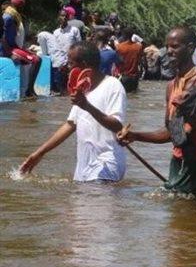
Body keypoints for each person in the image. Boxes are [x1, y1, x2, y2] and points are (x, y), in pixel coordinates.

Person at [117, 27, 196, 196]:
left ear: (190, 48)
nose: (169, 51)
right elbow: (171, 132)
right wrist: (135, 136)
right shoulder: (171, 86)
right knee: (177, 218)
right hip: (178, 160)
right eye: (168, 46)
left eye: (175, 47)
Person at [20, 41, 127, 181]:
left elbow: (117, 126)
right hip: (84, 168)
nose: (67, 68)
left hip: (106, 167)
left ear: (84, 65)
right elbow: (70, 125)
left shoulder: (113, 86)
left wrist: (87, 106)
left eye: (71, 64)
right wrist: (39, 153)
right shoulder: (83, 90)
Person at [50, 9, 81, 95]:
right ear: (58, 17)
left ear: (68, 18)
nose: (63, 18)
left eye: (65, 16)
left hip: (72, 64)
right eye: (62, 16)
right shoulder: (55, 32)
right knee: (61, 90)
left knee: (72, 88)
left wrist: (71, 62)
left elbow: (79, 46)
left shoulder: (74, 30)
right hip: (59, 64)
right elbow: (55, 49)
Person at [115, 27, 142, 92]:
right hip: (135, 76)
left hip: (124, 76)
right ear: (133, 35)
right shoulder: (138, 47)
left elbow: (117, 62)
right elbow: (139, 60)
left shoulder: (119, 47)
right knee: (134, 96)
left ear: (123, 35)